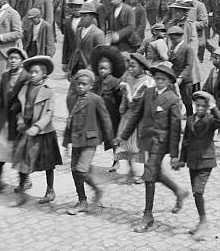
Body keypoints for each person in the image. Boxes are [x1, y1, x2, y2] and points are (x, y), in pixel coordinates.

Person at [115, 61, 188, 234]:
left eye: (163, 79)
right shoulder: (148, 93)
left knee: (149, 174)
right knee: (155, 173)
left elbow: (176, 129)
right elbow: (136, 115)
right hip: (146, 139)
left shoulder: (173, 99)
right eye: (157, 78)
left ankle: (148, 216)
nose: (159, 81)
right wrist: (123, 137)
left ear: (169, 81)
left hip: (161, 143)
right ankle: (178, 191)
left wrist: (174, 155)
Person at [63, 67, 115, 215]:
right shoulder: (74, 99)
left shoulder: (96, 100)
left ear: (91, 85)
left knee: (81, 170)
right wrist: (66, 141)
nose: (80, 86)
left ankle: (97, 190)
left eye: (84, 84)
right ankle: (82, 200)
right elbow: (70, 121)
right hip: (76, 140)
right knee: (75, 171)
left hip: (90, 141)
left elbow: (105, 120)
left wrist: (111, 141)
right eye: (78, 83)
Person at [13, 55, 63, 205]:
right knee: (22, 158)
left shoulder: (48, 91)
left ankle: (50, 190)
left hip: (43, 132)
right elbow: (17, 107)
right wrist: (20, 119)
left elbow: (49, 113)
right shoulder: (24, 88)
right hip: (26, 129)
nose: (33, 75)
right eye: (31, 72)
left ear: (44, 74)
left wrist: (37, 127)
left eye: (36, 72)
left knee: (48, 162)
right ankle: (23, 184)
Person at [178, 90, 220, 241]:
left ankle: (204, 222)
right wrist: (181, 159)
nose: (199, 109)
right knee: (195, 192)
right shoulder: (191, 119)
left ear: (207, 107)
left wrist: (213, 107)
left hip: (206, 161)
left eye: (202, 106)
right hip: (193, 161)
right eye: (197, 105)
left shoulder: (211, 120)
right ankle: (201, 221)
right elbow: (185, 140)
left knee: (198, 191)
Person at [0, 47, 28, 194]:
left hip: (19, 119)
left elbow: (28, 99)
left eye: (16, 58)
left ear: (22, 61)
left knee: (19, 151)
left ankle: (23, 181)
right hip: (4, 118)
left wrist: (23, 116)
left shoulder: (26, 77)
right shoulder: (5, 76)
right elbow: (1, 98)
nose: (13, 61)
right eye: (11, 58)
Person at [116, 53, 155, 183]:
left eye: (133, 66)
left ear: (142, 67)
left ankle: (140, 173)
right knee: (126, 145)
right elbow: (124, 99)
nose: (130, 69)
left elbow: (150, 103)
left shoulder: (148, 82)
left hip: (141, 118)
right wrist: (122, 107)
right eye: (129, 66)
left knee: (138, 147)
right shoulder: (128, 79)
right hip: (128, 117)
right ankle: (129, 171)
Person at [90, 45, 124, 175]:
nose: (102, 71)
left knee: (112, 138)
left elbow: (120, 99)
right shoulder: (97, 81)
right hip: (99, 114)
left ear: (110, 70)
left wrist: (121, 113)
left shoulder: (115, 82)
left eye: (104, 68)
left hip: (112, 115)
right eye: (100, 68)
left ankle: (116, 160)